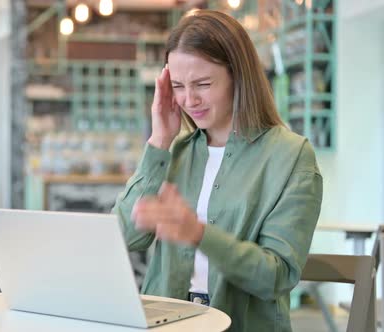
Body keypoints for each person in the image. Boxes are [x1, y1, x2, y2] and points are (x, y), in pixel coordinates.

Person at [112, 9, 323, 332]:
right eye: (179, 86)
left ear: (239, 76)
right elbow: (125, 235)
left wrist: (197, 233)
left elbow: (276, 277)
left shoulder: (291, 156)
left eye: (203, 84)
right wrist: (159, 141)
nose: (188, 99)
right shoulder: (176, 150)